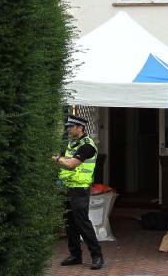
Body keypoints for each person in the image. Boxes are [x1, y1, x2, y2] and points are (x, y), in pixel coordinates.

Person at [52, 115, 104, 270]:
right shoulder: (72, 143)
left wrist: (56, 159)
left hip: (80, 190)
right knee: (70, 223)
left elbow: (71, 164)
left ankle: (97, 256)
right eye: (68, 127)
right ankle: (75, 255)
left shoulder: (87, 145)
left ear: (80, 128)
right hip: (68, 188)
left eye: (71, 127)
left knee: (83, 223)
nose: (68, 129)